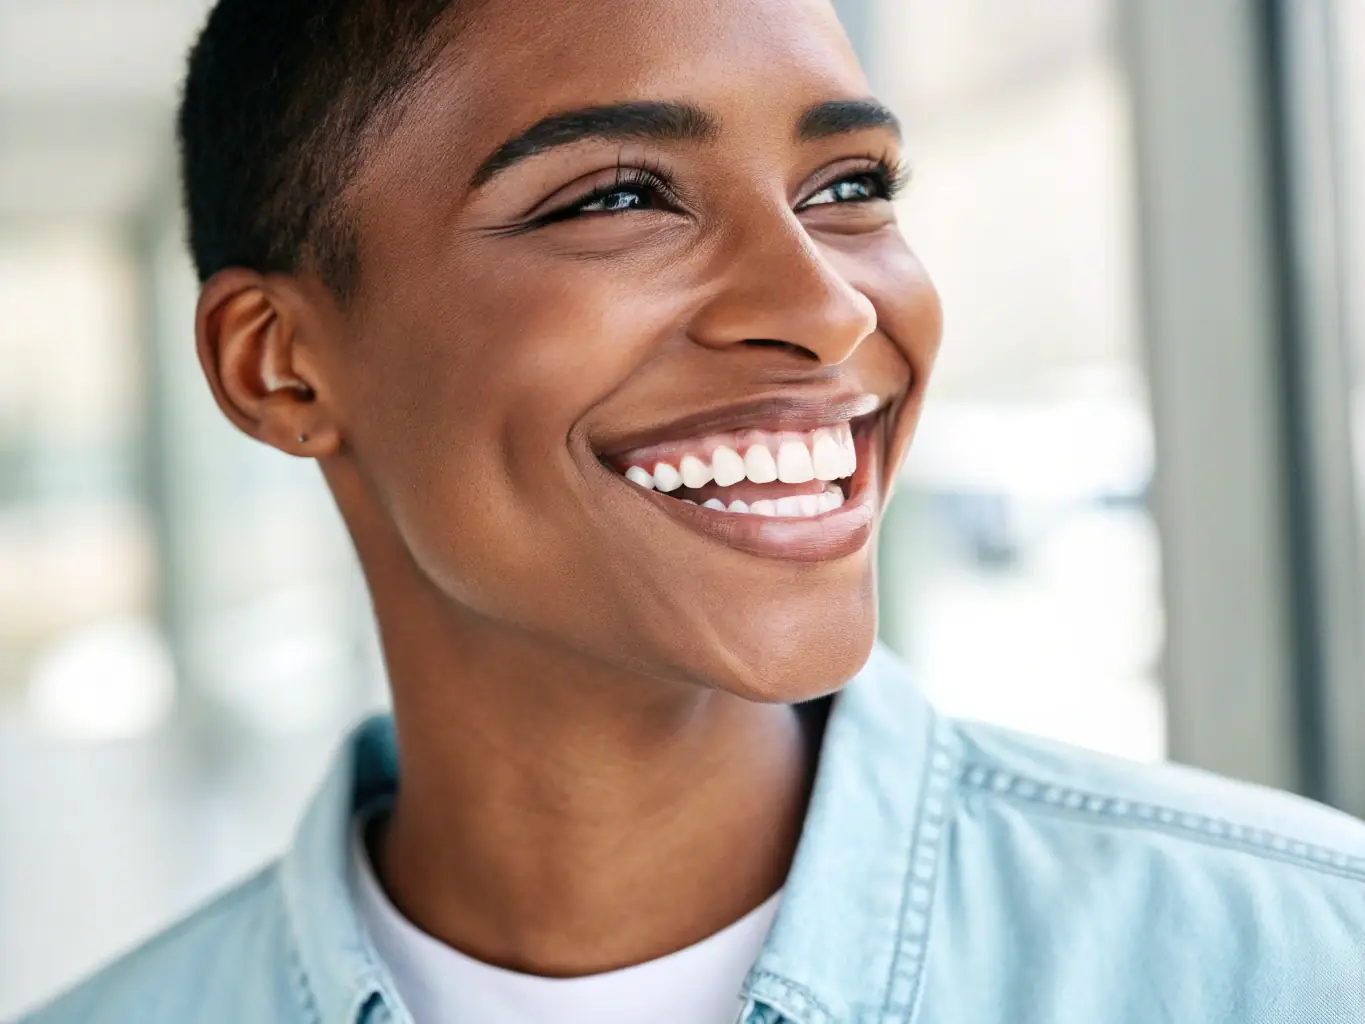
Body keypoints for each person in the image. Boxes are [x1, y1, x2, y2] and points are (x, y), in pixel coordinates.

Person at [23, 0, 1365, 1021]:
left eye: (848, 190)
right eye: (619, 197)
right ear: (280, 363)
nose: (827, 307)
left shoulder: (1306, 956)